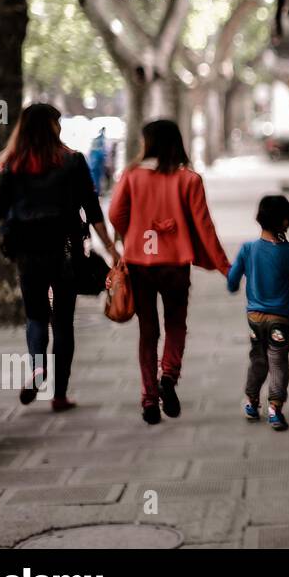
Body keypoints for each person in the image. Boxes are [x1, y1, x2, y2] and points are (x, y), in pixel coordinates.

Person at [0, 103, 121, 411]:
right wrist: (112, 249)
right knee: (63, 322)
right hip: (66, 250)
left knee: (36, 315)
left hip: (28, 253)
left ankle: (38, 370)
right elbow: (92, 208)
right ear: (51, 126)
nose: (60, 128)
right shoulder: (72, 161)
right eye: (57, 122)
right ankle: (59, 395)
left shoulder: (13, 164)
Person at [109, 119, 230, 425]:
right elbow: (205, 226)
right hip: (175, 265)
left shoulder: (132, 176)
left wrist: (133, 234)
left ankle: (149, 398)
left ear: (147, 143)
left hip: (139, 265)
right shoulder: (189, 179)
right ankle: (169, 376)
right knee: (176, 323)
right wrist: (225, 266)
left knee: (148, 331)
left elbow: (115, 213)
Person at [227, 195, 289, 431]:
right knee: (278, 362)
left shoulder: (247, 249)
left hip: (254, 318)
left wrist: (236, 283)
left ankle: (251, 401)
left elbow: (232, 281)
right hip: (280, 319)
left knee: (258, 358)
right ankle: (274, 410)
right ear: (286, 222)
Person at [88, 127, 107, 195]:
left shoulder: (96, 147)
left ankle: (97, 190)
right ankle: (96, 191)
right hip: (96, 165)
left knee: (96, 178)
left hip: (96, 165)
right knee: (96, 178)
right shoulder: (100, 142)